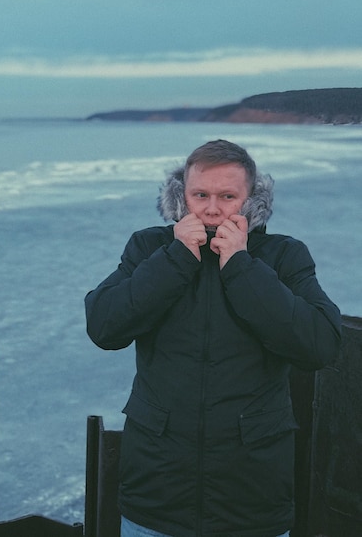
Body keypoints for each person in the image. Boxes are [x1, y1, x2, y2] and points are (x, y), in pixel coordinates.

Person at [85, 139, 341, 537]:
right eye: (200, 194)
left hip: (252, 501)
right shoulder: (150, 247)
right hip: (156, 495)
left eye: (227, 196)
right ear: (180, 196)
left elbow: (320, 345)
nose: (211, 207)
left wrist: (240, 265)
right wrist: (175, 258)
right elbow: (104, 326)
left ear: (251, 200)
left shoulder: (283, 256)